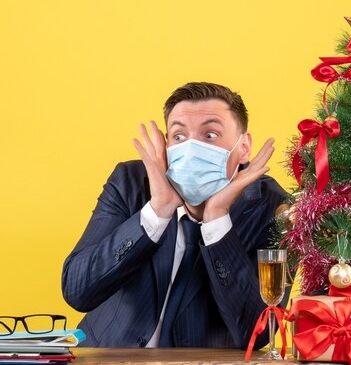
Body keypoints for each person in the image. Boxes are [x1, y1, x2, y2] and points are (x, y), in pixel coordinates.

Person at [62, 82, 288, 348]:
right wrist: (157, 211)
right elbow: (77, 291)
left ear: (244, 148)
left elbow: (256, 332)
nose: (191, 149)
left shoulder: (275, 208)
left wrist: (217, 219)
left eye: (210, 135)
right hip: (108, 354)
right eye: (179, 137)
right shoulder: (131, 182)